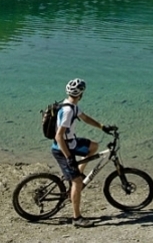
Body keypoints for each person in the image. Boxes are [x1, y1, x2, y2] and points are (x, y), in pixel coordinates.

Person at [51, 78, 116, 227]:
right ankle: (77, 218)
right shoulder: (68, 111)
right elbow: (58, 136)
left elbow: (85, 118)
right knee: (78, 183)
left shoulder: (71, 105)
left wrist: (102, 127)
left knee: (93, 146)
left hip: (71, 143)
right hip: (62, 149)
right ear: (81, 95)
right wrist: (69, 158)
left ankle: (78, 174)